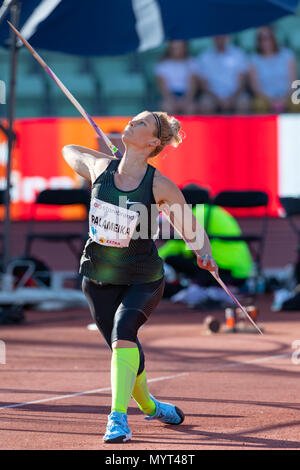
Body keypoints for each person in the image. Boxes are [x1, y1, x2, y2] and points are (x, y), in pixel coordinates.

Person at [62, 111, 218, 444]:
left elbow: (190, 227)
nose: (131, 123)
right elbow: (69, 151)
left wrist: (204, 254)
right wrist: (103, 159)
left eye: (141, 123)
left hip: (142, 279)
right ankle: (150, 404)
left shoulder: (158, 184)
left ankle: (117, 419)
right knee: (125, 352)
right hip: (98, 278)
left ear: (152, 143)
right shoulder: (100, 168)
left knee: (123, 334)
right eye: (134, 119)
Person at [191, 35, 251, 114]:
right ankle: (210, 127)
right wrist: (217, 99)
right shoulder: (205, 57)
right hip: (212, 96)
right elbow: (204, 85)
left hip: (235, 95)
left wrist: (232, 98)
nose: (220, 39)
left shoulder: (238, 54)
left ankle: (240, 126)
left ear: (228, 37)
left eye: (223, 36)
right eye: (217, 37)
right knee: (205, 104)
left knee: (244, 103)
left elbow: (242, 82)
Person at [249, 26, 298, 113]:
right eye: (261, 39)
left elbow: (293, 83)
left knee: (296, 103)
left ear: (274, 38)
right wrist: (271, 101)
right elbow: (255, 87)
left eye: (268, 38)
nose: (265, 42)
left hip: (287, 96)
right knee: (259, 104)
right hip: (264, 99)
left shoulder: (287, 56)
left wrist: (283, 99)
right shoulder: (254, 60)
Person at [155, 40, 197, 114]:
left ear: (184, 47)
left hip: (186, 95)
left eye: (179, 47)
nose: (177, 50)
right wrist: (171, 100)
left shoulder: (191, 62)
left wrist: (186, 100)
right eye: (175, 48)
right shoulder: (163, 65)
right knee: (167, 107)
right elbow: (163, 87)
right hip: (170, 96)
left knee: (191, 108)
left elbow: (192, 85)